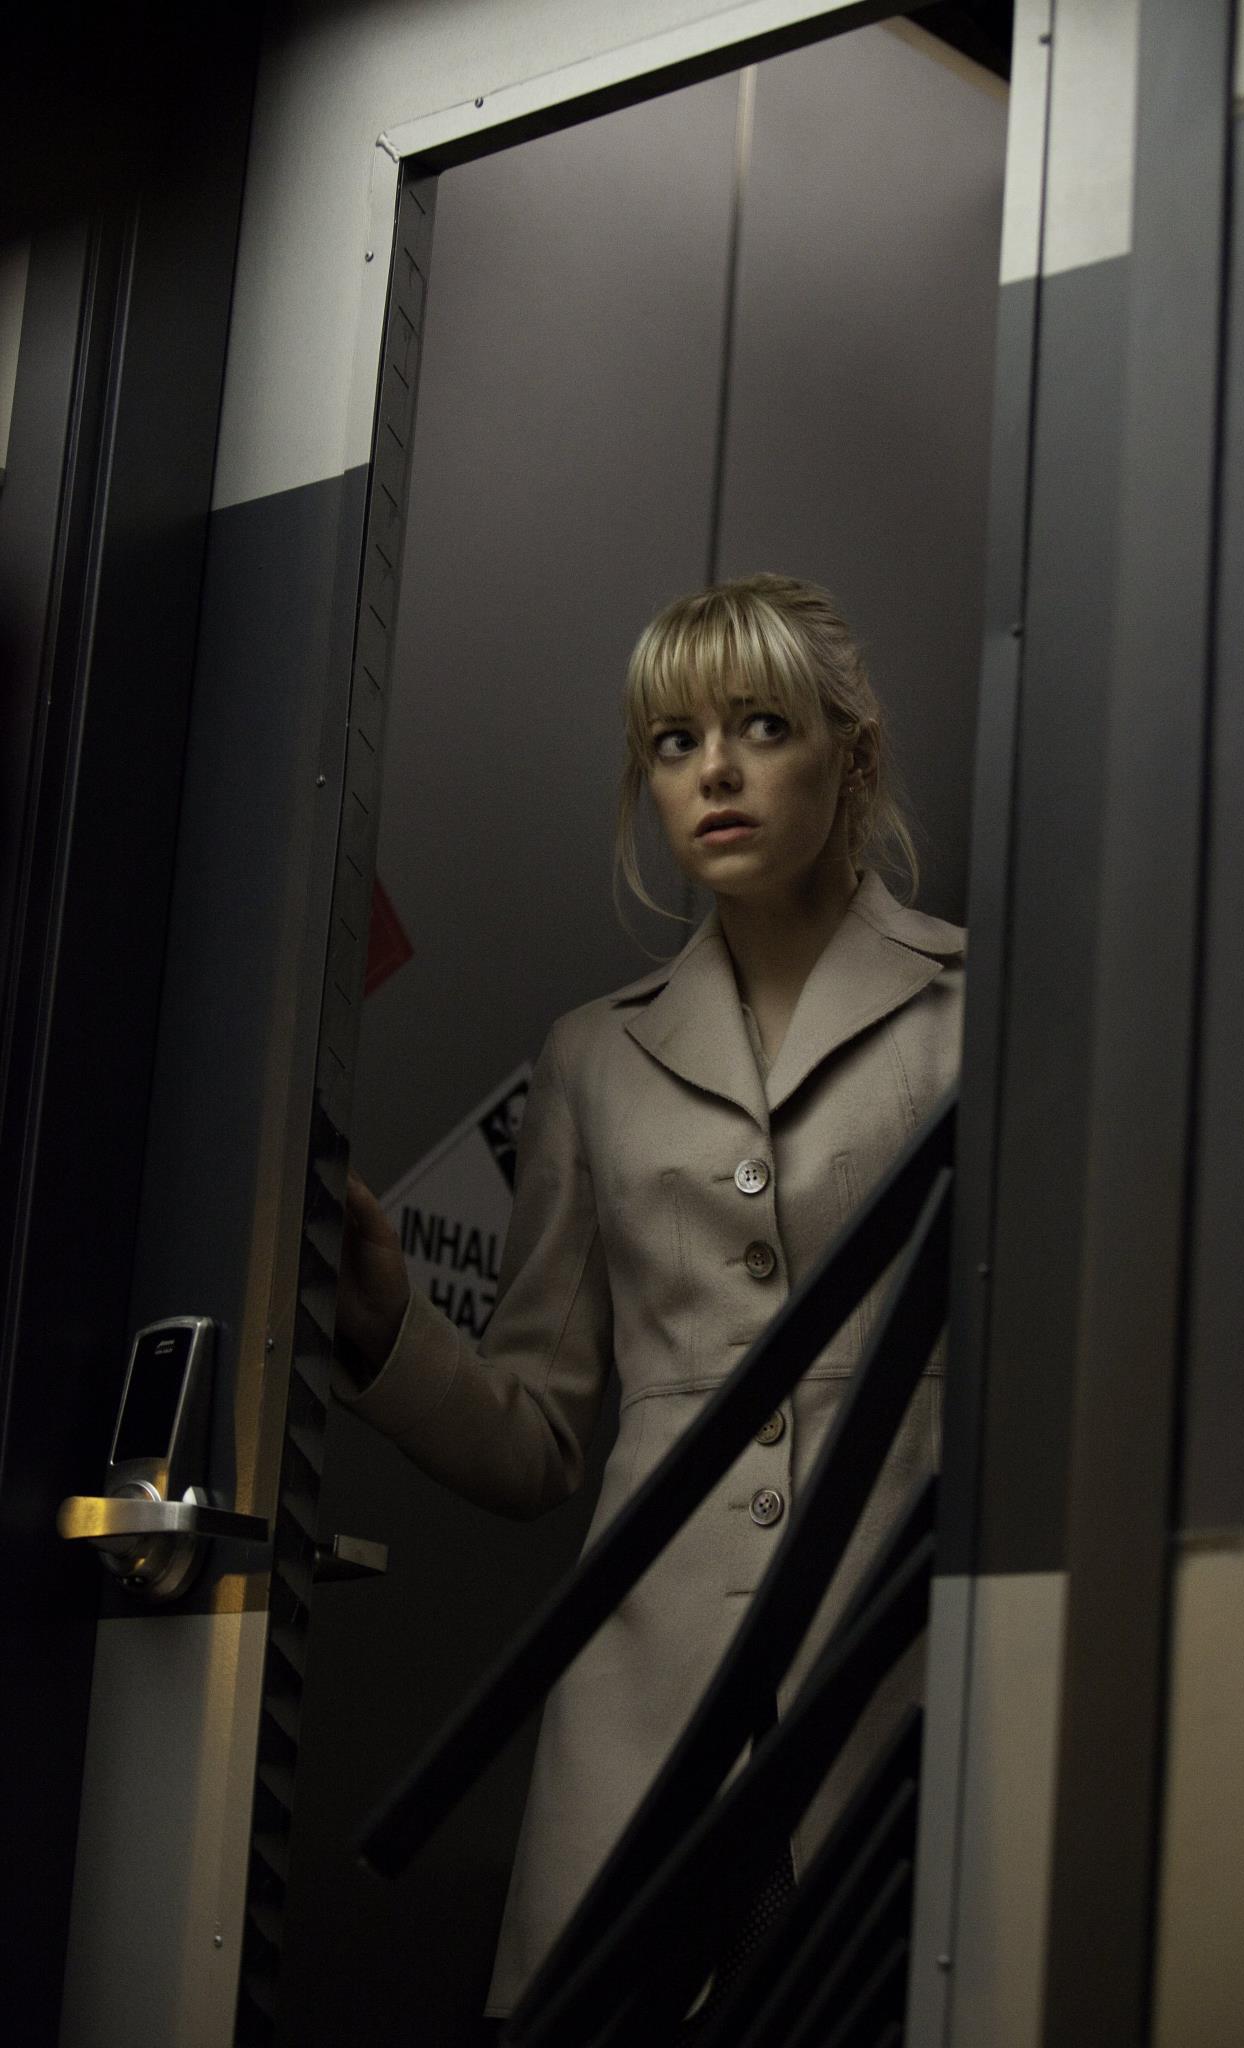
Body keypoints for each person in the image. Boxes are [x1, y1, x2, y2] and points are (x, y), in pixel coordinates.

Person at [335, 573, 965, 2024]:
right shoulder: (592, 1057)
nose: (715, 772)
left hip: (900, 1691)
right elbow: (535, 1439)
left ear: (852, 753)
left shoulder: (981, 1015)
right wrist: (381, 1331)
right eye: (676, 743)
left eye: (761, 726)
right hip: (644, 1717)